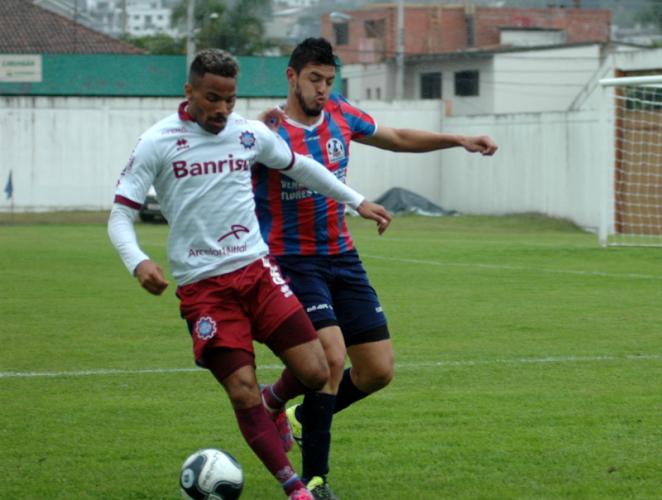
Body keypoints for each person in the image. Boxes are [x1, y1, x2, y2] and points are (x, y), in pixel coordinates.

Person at [107, 48, 391, 500]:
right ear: (190, 92)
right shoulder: (157, 142)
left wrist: (356, 200)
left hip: (257, 272)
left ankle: (273, 401)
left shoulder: (248, 134)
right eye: (212, 99)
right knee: (240, 390)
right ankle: (295, 488)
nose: (221, 110)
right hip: (205, 290)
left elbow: (303, 167)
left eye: (230, 100)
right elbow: (119, 215)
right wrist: (138, 261)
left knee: (319, 370)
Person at [253, 37, 499, 498]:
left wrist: (458, 139)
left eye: (329, 81)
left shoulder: (343, 114)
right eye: (314, 79)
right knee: (329, 358)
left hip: (343, 258)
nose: (322, 89)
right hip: (293, 260)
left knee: (377, 371)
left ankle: (294, 410)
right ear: (291, 77)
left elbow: (399, 139)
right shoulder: (266, 131)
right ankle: (314, 481)